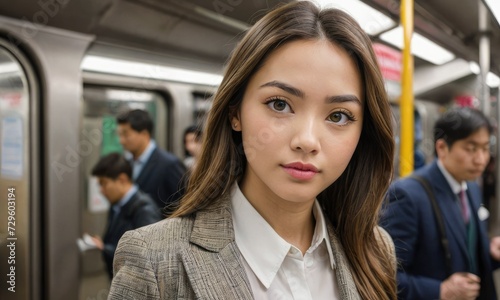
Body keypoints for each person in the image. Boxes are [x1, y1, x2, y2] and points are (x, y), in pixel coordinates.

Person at [108, 1, 397, 299]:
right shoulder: (155, 262)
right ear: (236, 112)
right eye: (280, 104)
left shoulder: (376, 250)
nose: (307, 141)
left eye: (338, 116)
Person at [380, 107, 500, 299]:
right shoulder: (408, 196)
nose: (481, 159)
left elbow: (464, 249)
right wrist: (440, 290)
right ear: (442, 148)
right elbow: (382, 276)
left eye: (485, 149)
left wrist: (489, 252)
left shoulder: (471, 188)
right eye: (471, 149)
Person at [89, 152, 162, 279]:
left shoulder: (144, 210)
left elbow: (147, 257)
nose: (101, 190)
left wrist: (106, 249)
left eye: (104, 183)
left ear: (122, 180)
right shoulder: (117, 205)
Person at [116, 109, 186, 216]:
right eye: (120, 135)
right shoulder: (125, 162)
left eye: (126, 134)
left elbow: (184, 206)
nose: (121, 141)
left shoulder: (169, 165)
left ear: (144, 134)